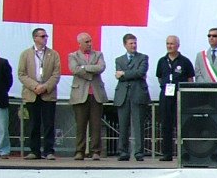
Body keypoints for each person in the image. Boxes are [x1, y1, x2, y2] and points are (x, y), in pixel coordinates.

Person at [17, 27, 61, 160]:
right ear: (35, 38)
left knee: (49, 123)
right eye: (42, 36)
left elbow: (56, 74)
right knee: (33, 123)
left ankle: (49, 151)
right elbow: (21, 74)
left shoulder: (53, 54)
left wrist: (45, 87)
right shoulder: (26, 54)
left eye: (46, 36)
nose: (45, 38)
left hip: (48, 93)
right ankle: (34, 151)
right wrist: (35, 86)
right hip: (32, 93)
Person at [155, 36, 195, 162]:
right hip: (166, 95)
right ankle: (167, 153)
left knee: (182, 124)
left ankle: (184, 152)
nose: (169, 46)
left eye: (172, 44)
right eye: (167, 43)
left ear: (177, 45)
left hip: (180, 95)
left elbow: (190, 79)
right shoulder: (162, 61)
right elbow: (160, 77)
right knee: (166, 124)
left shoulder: (185, 61)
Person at [67, 32, 106, 161]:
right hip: (80, 94)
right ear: (80, 43)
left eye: (90, 41)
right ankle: (80, 151)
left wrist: (84, 67)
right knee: (80, 124)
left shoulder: (98, 54)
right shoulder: (73, 55)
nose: (90, 44)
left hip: (95, 94)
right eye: (87, 42)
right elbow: (74, 69)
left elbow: (101, 67)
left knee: (96, 124)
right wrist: (90, 71)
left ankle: (95, 151)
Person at [113, 33, 150, 162]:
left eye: (135, 43)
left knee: (138, 125)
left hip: (138, 94)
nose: (134, 45)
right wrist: (127, 74)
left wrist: (124, 73)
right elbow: (118, 75)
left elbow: (140, 72)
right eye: (131, 43)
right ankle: (123, 152)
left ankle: (139, 152)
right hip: (123, 95)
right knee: (123, 125)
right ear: (125, 45)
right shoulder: (119, 59)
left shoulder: (143, 58)